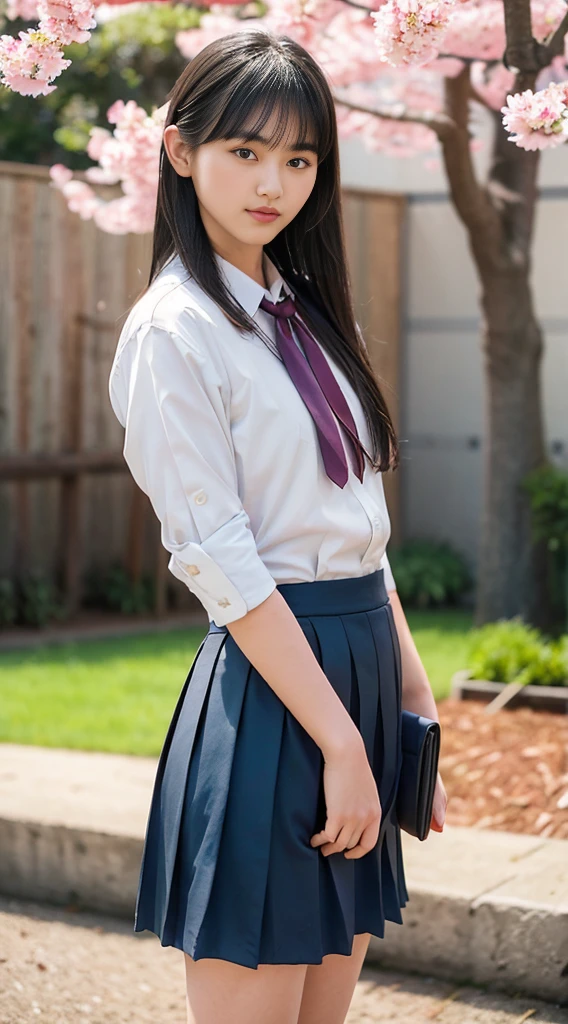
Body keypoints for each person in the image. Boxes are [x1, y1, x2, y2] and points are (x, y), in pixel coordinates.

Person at [108, 27, 447, 1024]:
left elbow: (356, 525)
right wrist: (340, 743)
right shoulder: (177, 331)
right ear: (180, 151)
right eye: (246, 151)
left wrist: (409, 703)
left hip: (356, 667)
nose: (275, 182)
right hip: (276, 685)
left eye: (299, 158)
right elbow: (222, 559)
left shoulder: (298, 310)